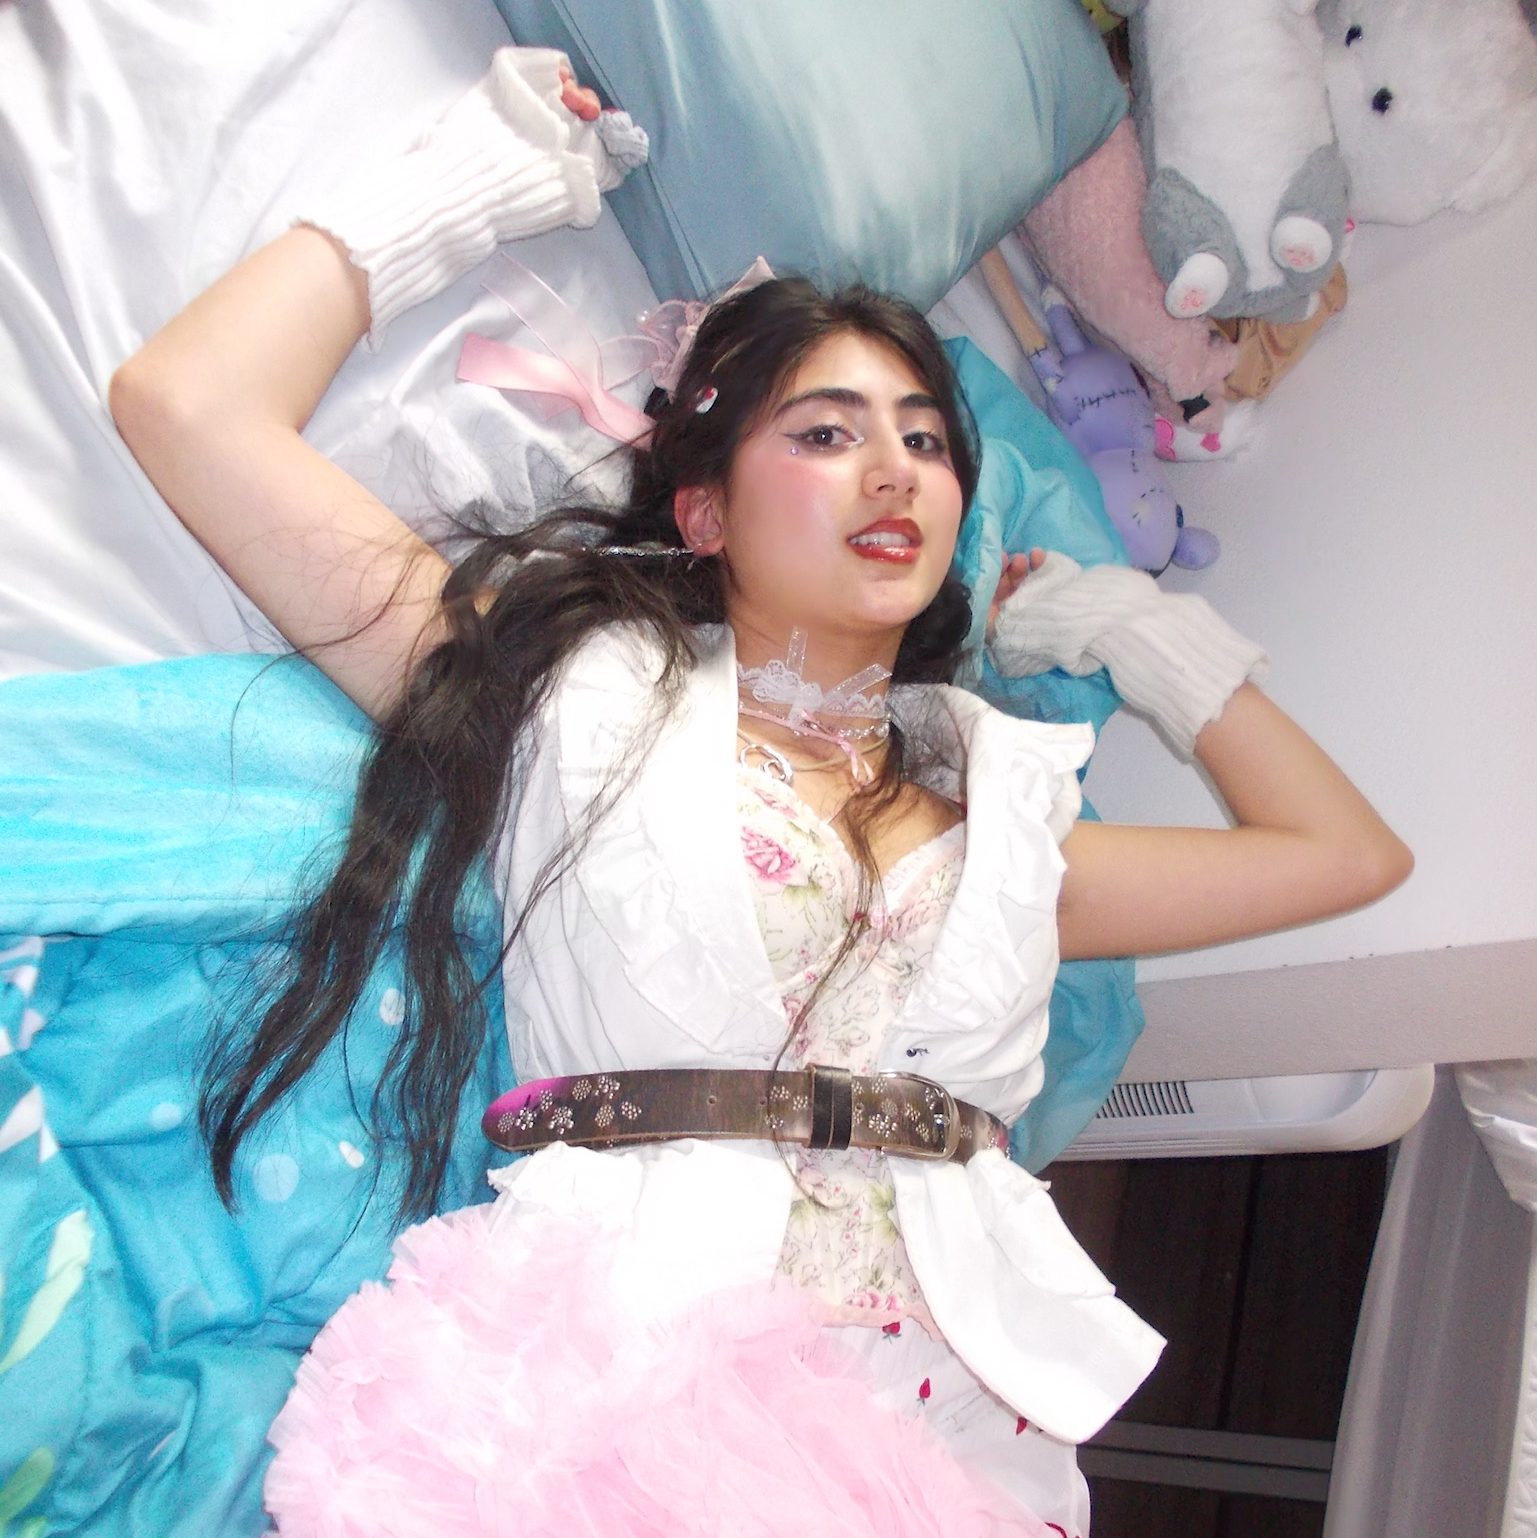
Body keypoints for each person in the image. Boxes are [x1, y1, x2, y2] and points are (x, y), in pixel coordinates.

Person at [108, 46, 1411, 1538]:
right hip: (635, 1385)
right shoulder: (569, 700)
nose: (894, 470)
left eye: (925, 439)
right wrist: (468, 188)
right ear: (704, 509)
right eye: (827, 432)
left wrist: (1136, 636)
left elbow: (1343, 855)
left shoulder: (1005, 818)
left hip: (943, 1435)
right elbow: (188, 405)